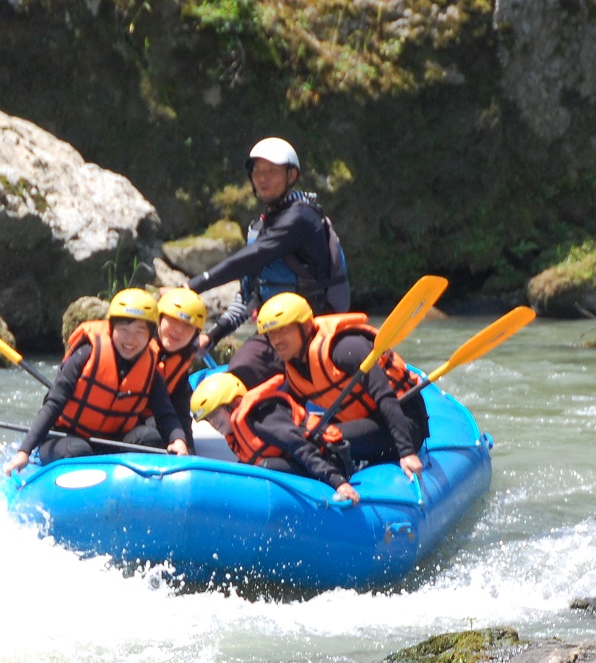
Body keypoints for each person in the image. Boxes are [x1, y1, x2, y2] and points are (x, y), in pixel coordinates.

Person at [186, 137, 350, 388]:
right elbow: (249, 296)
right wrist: (214, 335)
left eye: (272, 171)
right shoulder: (260, 227)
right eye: (257, 172)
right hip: (275, 331)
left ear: (291, 175)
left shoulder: (301, 217)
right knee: (235, 379)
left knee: (243, 381)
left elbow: (253, 258)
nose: (262, 178)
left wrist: (194, 286)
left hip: (312, 331)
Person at [4, 288, 190, 474]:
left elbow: (166, 414)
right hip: (65, 438)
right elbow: (54, 404)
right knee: (79, 451)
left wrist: (179, 440)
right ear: (111, 328)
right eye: (124, 330)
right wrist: (24, 450)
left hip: (113, 441)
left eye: (139, 332)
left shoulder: (150, 368)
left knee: (151, 438)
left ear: (150, 335)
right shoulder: (86, 355)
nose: (131, 340)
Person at [254, 292, 427, 477]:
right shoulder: (296, 370)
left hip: (404, 424)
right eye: (271, 334)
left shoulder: (345, 349)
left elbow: (384, 396)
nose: (276, 340)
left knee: (328, 439)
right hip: (363, 424)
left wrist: (407, 452)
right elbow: (287, 414)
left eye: (283, 330)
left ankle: (337, 474)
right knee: (307, 437)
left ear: (305, 327)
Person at [189, 372, 359, 502]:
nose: (213, 423)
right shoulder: (236, 432)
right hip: (300, 465)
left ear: (234, 403)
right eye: (208, 418)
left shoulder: (263, 417)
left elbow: (301, 448)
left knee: (264, 467)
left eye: (215, 414)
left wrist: (338, 482)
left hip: (329, 461)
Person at [152, 286, 208, 443]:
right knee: (151, 436)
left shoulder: (180, 360)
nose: (178, 330)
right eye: (173, 320)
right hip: (122, 425)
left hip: (156, 420)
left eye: (187, 325)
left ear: (195, 334)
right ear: (159, 319)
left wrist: (186, 444)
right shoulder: (136, 348)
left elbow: (181, 410)